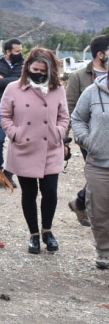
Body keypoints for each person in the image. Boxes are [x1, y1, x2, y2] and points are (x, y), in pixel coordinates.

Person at [0, 48, 69, 254]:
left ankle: (47, 230)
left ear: (50, 71)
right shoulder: (13, 88)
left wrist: (58, 132)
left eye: (42, 70)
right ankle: (34, 235)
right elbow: (4, 115)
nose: (37, 72)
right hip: (24, 147)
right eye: (34, 68)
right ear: (27, 67)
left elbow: (65, 116)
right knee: (29, 193)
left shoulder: (58, 89)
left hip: (51, 147)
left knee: (50, 191)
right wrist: (16, 134)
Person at [66, 35, 109, 226]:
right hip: (93, 138)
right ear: (101, 54)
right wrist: (69, 139)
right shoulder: (79, 76)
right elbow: (70, 108)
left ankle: (80, 202)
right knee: (98, 174)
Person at [71, 72, 109, 269]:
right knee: (100, 210)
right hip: (99, 164)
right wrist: (86, 141)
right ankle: (104, 251)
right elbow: (77, 118)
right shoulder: (92, 92)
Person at [0, 38, 24, 187]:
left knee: (18, 141)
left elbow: (24, 81)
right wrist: (14, 80)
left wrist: (4, 80)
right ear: (8, 51)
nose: (20, 54)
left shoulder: (23, 64)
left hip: (20, 106)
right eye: (17, 51)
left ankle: (9, 172)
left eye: (21, 51)